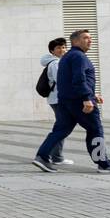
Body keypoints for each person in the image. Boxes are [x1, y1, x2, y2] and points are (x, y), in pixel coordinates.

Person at [32, 29, 110, 173]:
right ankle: (104, 163)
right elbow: (79, 79)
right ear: (75, 41)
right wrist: (87, 98)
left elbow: (70, 81)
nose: (90, 40)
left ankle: (42, 157)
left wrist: (92, 95)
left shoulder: (68, 57)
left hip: (65, 101)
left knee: (61, 129)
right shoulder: (78, 57)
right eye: (86, 38)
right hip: (79, 102)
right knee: (95, 129)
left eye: (90, 37)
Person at [38, 37, 73, 166]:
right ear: (52, 51)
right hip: (59, 99)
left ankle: (55, 155)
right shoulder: (56, 63)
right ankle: (56, 157)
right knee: (62, 127)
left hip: (57, 99)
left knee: (61, 126)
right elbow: (62, 81)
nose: (62, 50)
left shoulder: (58, 62)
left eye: (64, 47)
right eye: (58, 48)